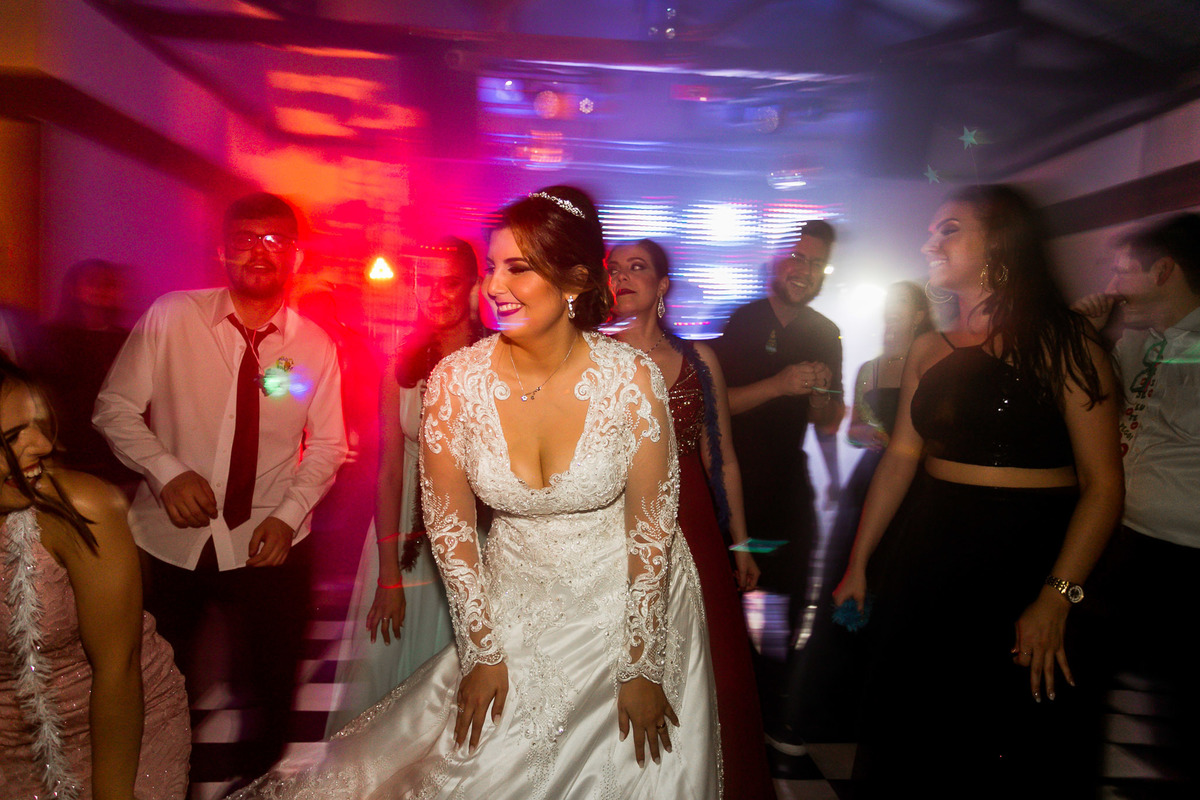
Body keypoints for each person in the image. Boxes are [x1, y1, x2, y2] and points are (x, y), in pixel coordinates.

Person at [229, 186, 719, 800]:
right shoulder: (455, 382)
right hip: (513, 602)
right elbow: (450, 527)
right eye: (492, 267)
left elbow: (651, 529)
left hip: (627, 607)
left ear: (574, 281)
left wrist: (643, 663)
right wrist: (482, 650)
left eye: (518, 268)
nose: (494, 286)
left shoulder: (632, 379)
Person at [834, 186, 1123, 795]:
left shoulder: (1065, 343)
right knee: (920, 729)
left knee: (1008, 736)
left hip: (1028, 553)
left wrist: (1057, 597)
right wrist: (860, 561)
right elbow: (901, 459)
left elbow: (1102, 487)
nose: (928, 244)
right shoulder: (928, 347)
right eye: (931, 232)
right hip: (930, 549)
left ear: (999, 244)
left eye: (949, 230)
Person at [93, 192, 348, 782]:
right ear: (222, 250)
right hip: (168, 541)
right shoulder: (172, 317)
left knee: (272, 695)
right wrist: (167, 471)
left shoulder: (312, 347)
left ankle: (256, 791)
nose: (260, 252)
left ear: (296, 256)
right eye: (245, 239)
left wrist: (288, 513)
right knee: (160, 691)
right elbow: (114, 408)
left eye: (275, 240)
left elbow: (328, 444)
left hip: (271, 542)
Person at [608, 238, 774, 800]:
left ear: (662, 285)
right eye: (614, 269)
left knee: (705, 650)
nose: (622, 277)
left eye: (637, 268)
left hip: (691, 517)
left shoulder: (699, 359)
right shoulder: (591, 356)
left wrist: (741, 543)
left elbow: (721, 457)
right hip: (614, 518)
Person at [0, 357, 190, 799]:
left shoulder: (81, 508)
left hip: (119, 729)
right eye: (12, 437)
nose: (43, 445)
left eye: (38, 425)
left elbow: (118, 668)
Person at [325, 237, 486, 734]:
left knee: (462, 681)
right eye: (426, 283)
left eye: (449, 283)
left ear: (474, 286)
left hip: (478, 539)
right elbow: (390, 472)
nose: (436, 295)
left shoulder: (499, 361)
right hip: (407, 541)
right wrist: (388, 574)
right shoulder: (400, 364)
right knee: (392, 687)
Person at [772, 280, 932, 747]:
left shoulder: (933, 363)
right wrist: (872, 434)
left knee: (899, 578)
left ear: (918, 314)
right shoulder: (870, 368)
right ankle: (830, 696)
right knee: (850, 572)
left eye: (900, 307)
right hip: (870, 478)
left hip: (917, 482)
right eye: (889, 307)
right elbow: (854, 425)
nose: (891, 314)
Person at [1072, 212, 1200, 790]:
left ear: (1164, 270)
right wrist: (1084, 334)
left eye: (1123, 270)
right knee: (1078, 672)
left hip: (1184, 559)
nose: (1111, 284)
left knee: (1184, 711)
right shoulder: (1137, 340)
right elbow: (1089, 404)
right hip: (1122, 541)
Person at [33, 258, 139, 491]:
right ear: (73, 289)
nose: (102, 288)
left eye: (109, 283)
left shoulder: (130, 340)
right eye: (92, 281)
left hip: (118, 456)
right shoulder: (49, 337)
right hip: (68, 456)